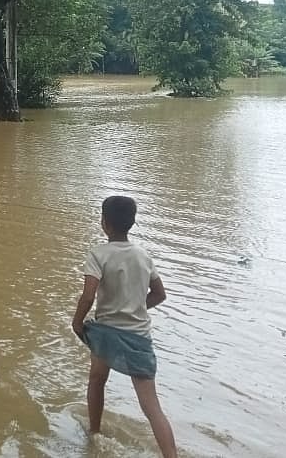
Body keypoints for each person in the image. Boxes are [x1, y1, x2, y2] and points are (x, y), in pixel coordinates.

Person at [72, 195, 177, 458]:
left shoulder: (98, 254)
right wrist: (135, 308)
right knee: (152, 407)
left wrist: (77, 322)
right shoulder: (143, 256)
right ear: (132, 222)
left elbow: (88, 296)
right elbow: (160, 294)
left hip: (105, 333)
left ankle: (94, 433)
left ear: (104, 223)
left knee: (97, 381)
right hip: (138, 336)